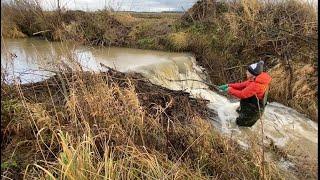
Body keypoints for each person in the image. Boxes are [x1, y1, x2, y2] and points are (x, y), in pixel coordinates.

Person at [218, 60, 272, 127]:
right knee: (237, 116)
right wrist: (228, 85)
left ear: (253, 74)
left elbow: (242, 94)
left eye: (248, 72)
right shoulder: (255, 79)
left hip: (253, 113)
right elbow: (242, 85)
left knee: (240, 126)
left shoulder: (257, 85)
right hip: (248, 107)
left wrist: (229, 90)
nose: (246, 72)